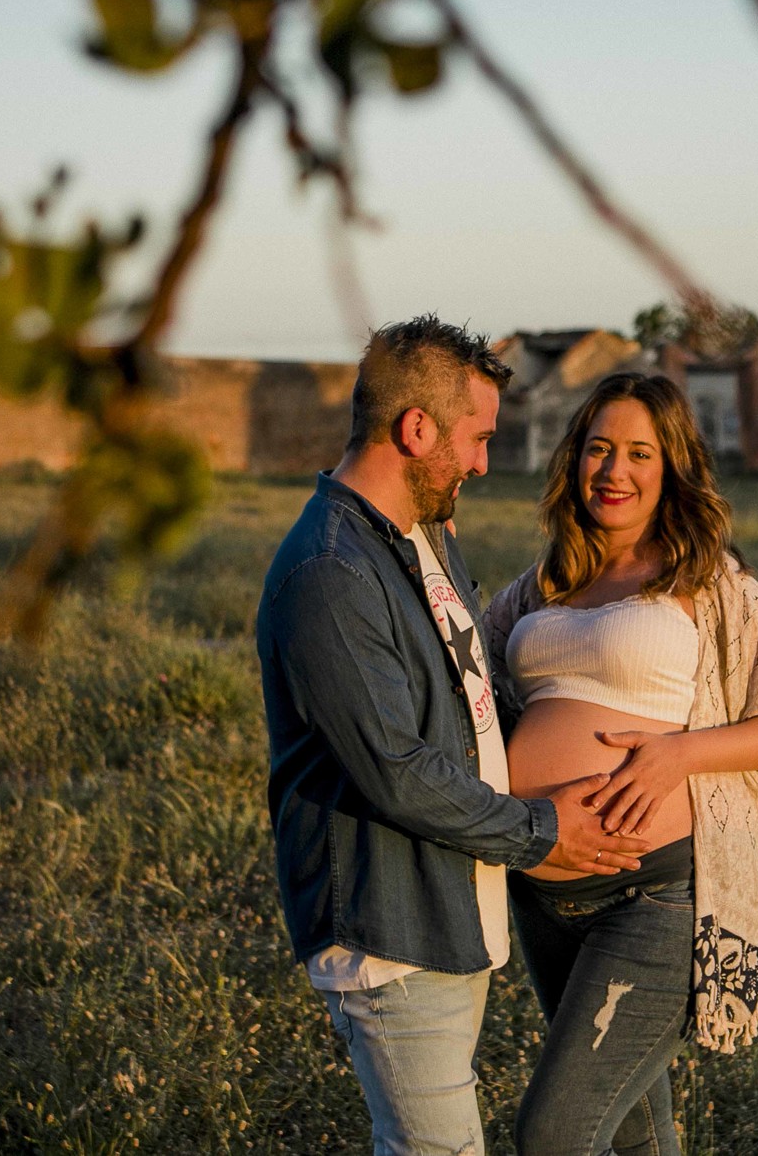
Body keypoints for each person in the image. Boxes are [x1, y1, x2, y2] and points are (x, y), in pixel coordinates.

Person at [256, 316, 650, 1156]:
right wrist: (545, 831)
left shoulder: (419, 539)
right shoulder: (331, 572)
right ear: (416, 429)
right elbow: (397, 769)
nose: (480, 462)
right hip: (390, 930)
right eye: (475, 439)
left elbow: (473, 696)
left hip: (447, 906)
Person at [484, 372, 758, 1156]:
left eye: (639, 452)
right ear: (575, 460)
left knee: (552, 1133)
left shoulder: (710, 582)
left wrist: (680, 753)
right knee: (642, 1133)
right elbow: (465, 669)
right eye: (599, 449)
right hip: (543, 889)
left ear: (670, 466)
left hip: (656, 895)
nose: (614, 470)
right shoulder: (545, 582)